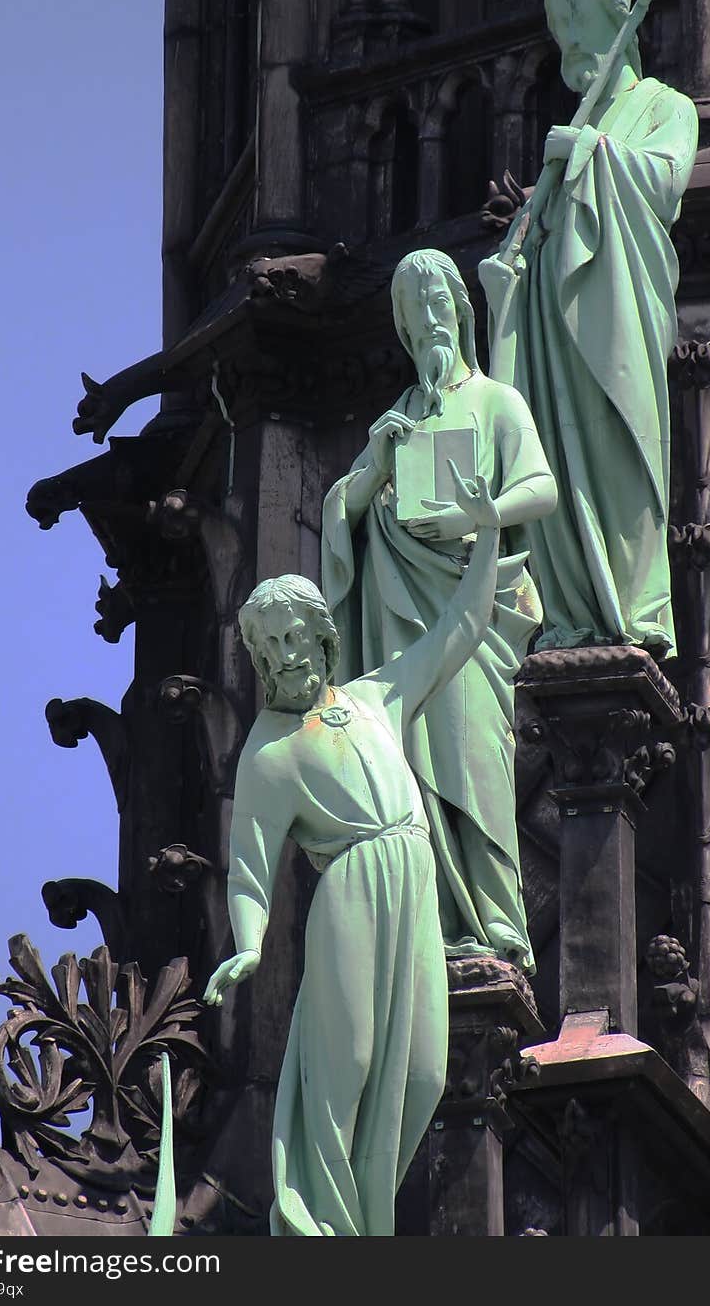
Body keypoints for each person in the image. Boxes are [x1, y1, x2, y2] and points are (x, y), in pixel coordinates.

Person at [203, 466, 507, 1236]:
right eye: (270, 645)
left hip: (413, 877)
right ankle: (320, 1224)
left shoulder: (375, 696)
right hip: (349, 890)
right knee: (350, 1065)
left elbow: (459, 631)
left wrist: (490, 532)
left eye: (297, 636)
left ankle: (364, 1220)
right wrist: (247, 946)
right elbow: (249, 869)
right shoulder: (269, 755)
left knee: (426, 1072)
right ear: (260, 659)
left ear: (322, 638)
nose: (287, 654)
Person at [321, 248, 557, 972]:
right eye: (411, 311)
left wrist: (486, 515)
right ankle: (430, 923)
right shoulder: (396, 420)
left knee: (473, 762)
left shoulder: (495, 402)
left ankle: (493, 924)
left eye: (436, 304)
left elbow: (540, 488)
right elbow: (342, 511)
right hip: (400, 621)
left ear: (461, 307)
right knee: (409, 770)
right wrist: (372, 466)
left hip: (473, 611)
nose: (427, 323)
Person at [479, 0, 698, 655]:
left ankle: (631, 607)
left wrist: (593, 152)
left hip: (619, 314)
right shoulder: (565, 130)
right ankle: (573, 606)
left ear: (620, 28)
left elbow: (665, 183)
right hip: (555, 327)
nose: (572, 52)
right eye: (562, 40)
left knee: (616, 449)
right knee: (558, 453)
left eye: (583, 35)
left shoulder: (667, 106)